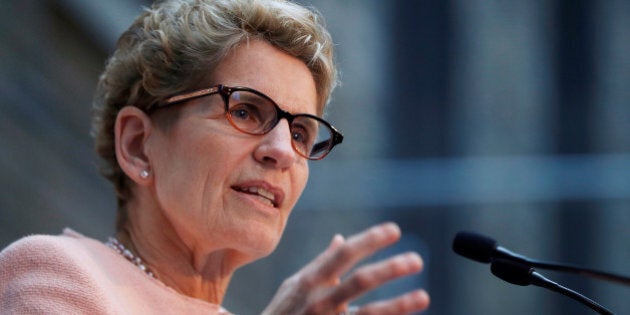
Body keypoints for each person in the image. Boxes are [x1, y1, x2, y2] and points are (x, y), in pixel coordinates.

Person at [0, 0, 430, 314]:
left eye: (300, 132)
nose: (282, 151)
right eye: (244, 111)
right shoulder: (57, 274)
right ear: (137, 143)